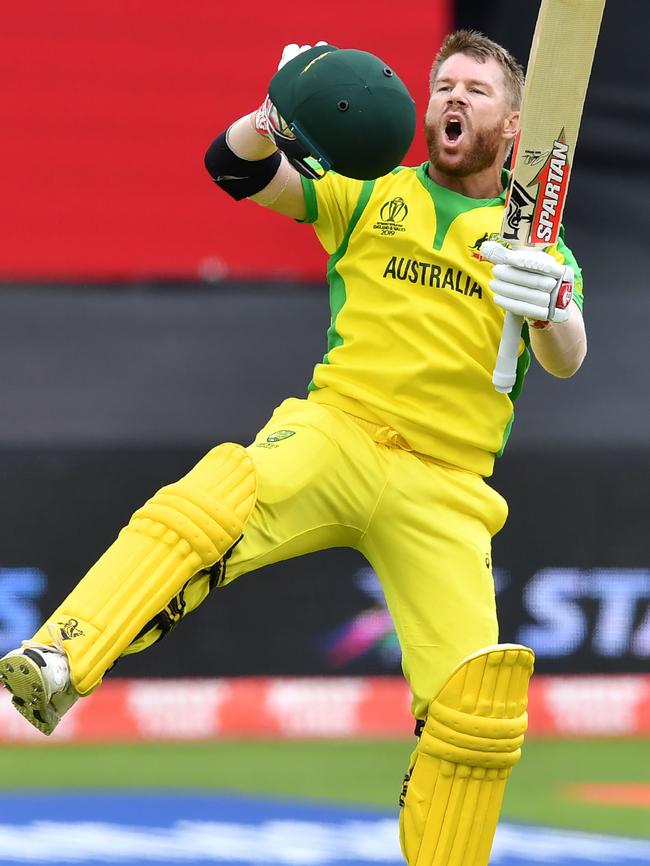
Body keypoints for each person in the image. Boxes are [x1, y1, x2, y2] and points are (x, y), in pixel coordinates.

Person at [0, 31, 586, 866]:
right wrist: (276, 110)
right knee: (216, 496)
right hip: (336, 431)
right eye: (443, 85)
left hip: (449, 485)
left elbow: (567, 358)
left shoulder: (540, 246)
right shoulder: (369, 193)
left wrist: (554, 304)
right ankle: (61, 657)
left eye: (476, 91)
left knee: (476, 714)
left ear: (514, 126)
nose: (453, 99)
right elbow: (232, 167)